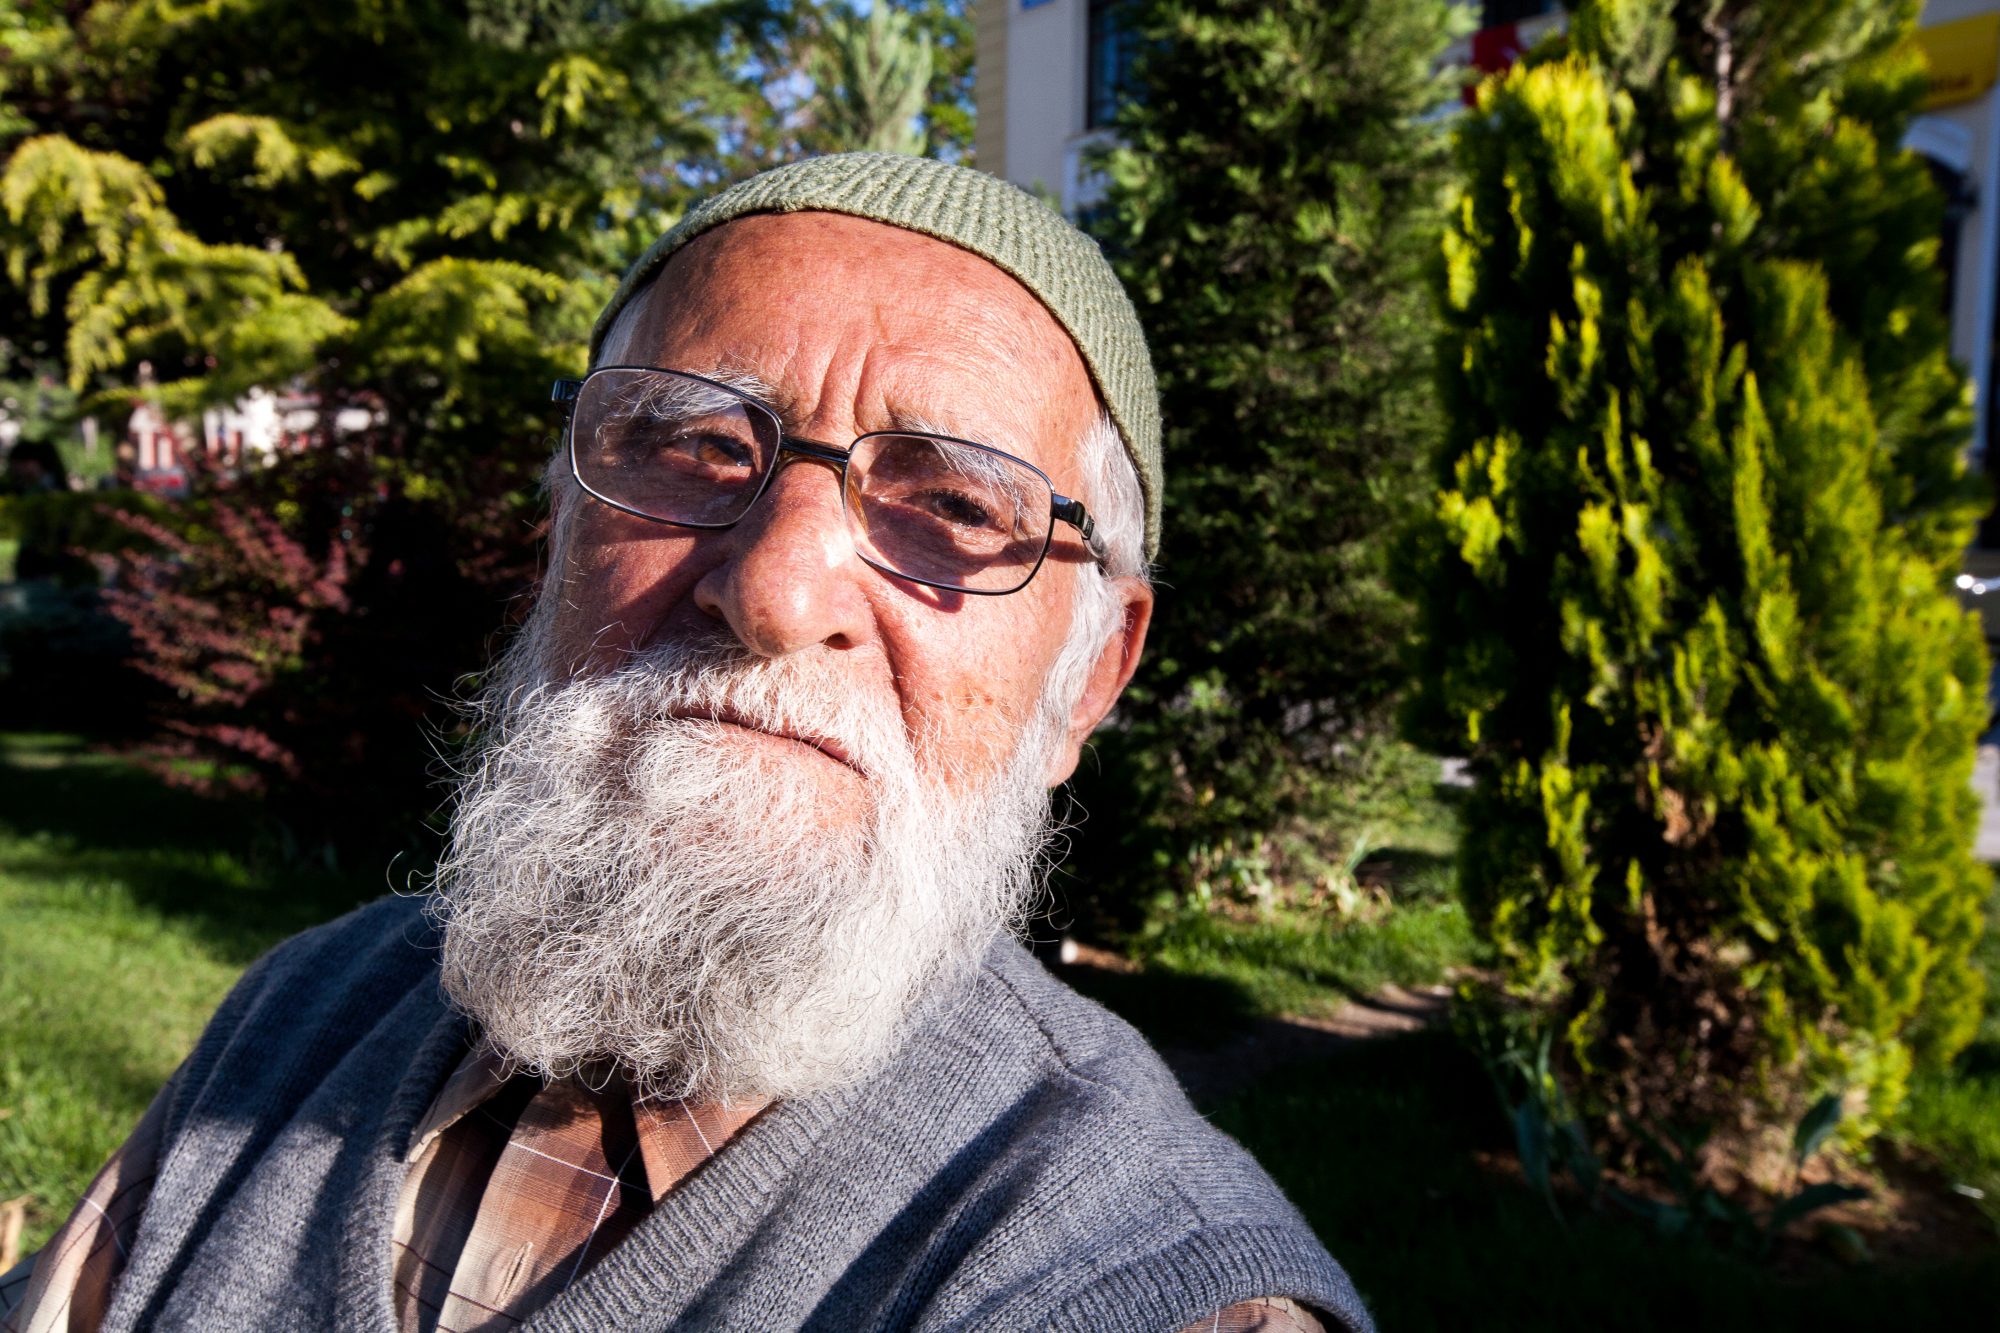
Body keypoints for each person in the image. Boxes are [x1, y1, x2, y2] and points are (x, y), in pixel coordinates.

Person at [0, 154, 1372, 1333]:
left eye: (953, 503)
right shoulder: (297, 1020)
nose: (772, 590)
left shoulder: (1137, 1282)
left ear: (1090, 677)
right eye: (689, 444)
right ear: (560, 537)